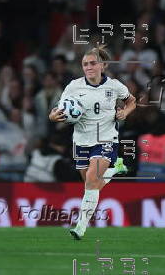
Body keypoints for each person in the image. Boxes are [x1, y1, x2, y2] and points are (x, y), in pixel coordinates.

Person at [49, 45, 136, 240]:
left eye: (92, 63)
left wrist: (125, 112)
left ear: (103, 65)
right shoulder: (73, 86)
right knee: (91, 183)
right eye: (85, 64)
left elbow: (132, 101)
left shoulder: (114, 86)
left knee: (91, 178)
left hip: (106, 139)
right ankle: (115, 170)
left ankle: (80, 226)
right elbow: (59, 109)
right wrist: (53, 117)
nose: (88, 67)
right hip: (81, 141)